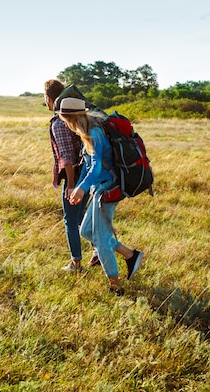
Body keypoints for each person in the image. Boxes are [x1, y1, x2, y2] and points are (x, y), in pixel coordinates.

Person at [56, 97, 144, 295]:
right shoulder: (87, 131)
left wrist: (82, 188)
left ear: (71, 118)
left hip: (108, 189)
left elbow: (96, 166)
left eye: (65, 120)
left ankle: (116, 287)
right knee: (86, 232)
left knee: (102, 240)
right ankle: (130, 255)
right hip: (99, 189)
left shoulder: (94, 132)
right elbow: (89, 165)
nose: (66, 125)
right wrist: (78, 187)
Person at [44, 79, 100, 272]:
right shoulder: (75, 116)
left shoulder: (59, 123)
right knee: (83, 216)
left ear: (49, 98)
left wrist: (71, 185)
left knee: (70, 220)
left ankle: (76, 263)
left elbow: (67, 157)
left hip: (75, 177)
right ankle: (97, 251)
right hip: (88, 175)